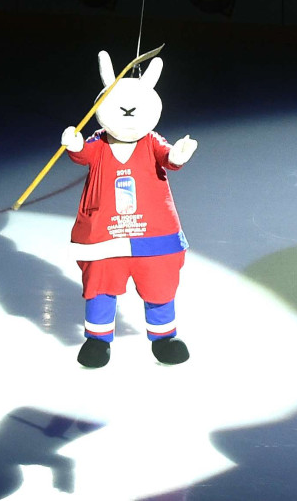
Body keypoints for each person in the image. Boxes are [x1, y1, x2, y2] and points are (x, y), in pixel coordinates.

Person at [62, 51, 197, 368]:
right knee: (100, 284)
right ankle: (97, 341)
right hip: (106, 233)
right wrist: (75, 144)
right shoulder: (100, 142)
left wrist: (177, 155)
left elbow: (167, 157)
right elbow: (83, 154)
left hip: (152, 233)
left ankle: (164, 338)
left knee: (159, 284)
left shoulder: (151, 141)